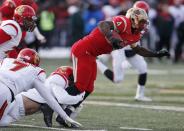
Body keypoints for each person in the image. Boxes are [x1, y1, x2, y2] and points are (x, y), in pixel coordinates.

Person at [43, 7, 170, 126]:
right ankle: (49, 107)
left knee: (89, 88)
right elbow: (102, 24)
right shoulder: (123, 22)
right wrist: (110, 36)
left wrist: (156, 54)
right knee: (80, 85)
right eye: (141, 21)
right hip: (84, 49)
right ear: (133, 19)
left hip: (92, 54)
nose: (143, 25)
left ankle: (65, 115)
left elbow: (139, 50)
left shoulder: (135, 34)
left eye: (144, 22)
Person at [0, 48, 82, 127]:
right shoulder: (35, 71)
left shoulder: (6, 60)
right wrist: (65, 116)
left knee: (4, 121)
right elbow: (49, 98)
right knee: (3, 121)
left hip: (7, 93)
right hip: (5, 92)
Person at [97, 1, 152, 102]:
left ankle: (140, 95)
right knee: (117, 79)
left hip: (132, 47)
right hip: (120, 48)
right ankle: (96, 62)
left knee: (143, 68)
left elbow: (135, 39)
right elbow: (109, 27)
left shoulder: (144, 23)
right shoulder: (124, 19)